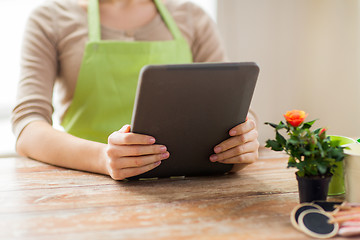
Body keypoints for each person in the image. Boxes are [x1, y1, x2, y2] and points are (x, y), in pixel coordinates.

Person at [11, 0, 259, 180]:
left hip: (187, 188)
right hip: (86, 186)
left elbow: (234, 107)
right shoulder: (51, 18)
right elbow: (28, 127)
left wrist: (244, 139)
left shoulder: (192, 17)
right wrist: (103, 158)